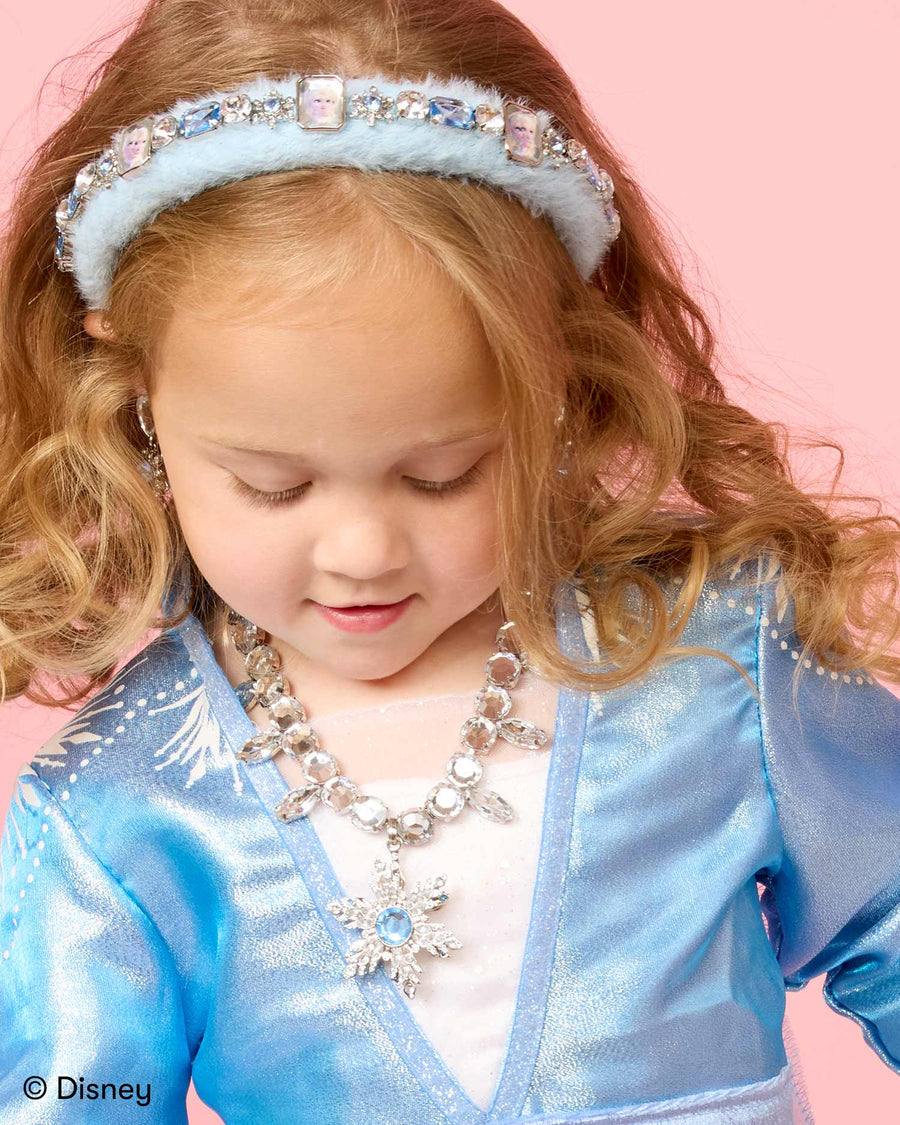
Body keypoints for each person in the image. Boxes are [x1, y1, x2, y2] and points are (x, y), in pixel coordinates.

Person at [0, 1, 898, 1122]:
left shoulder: (713, 663)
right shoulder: (122, 802)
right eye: (273, 485)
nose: (364, 551)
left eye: (445, 475)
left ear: (561, 379)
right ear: (132, 398)